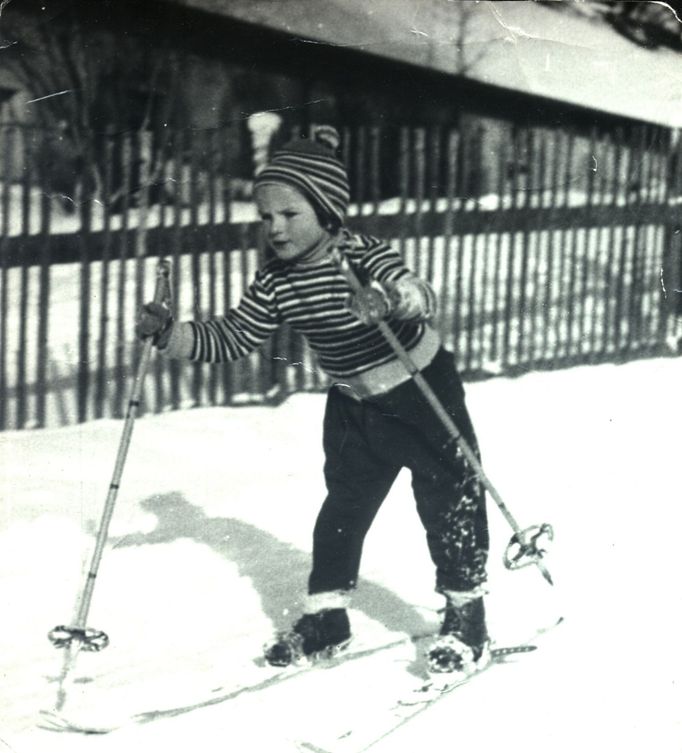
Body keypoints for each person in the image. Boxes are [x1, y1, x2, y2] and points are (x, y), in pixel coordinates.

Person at [137, 125, 490, 676]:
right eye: (265, 217)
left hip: (420, 391)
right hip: (354, 404)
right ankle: (328, 616)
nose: (274, 228)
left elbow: (419, 295)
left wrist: (390, 299)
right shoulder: (277, 280)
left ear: (326, 211)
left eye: (289, 215)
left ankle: (467, 615)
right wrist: (169, 335)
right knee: (342, 511)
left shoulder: (362, 255)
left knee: (449, 500)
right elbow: (233, 335)